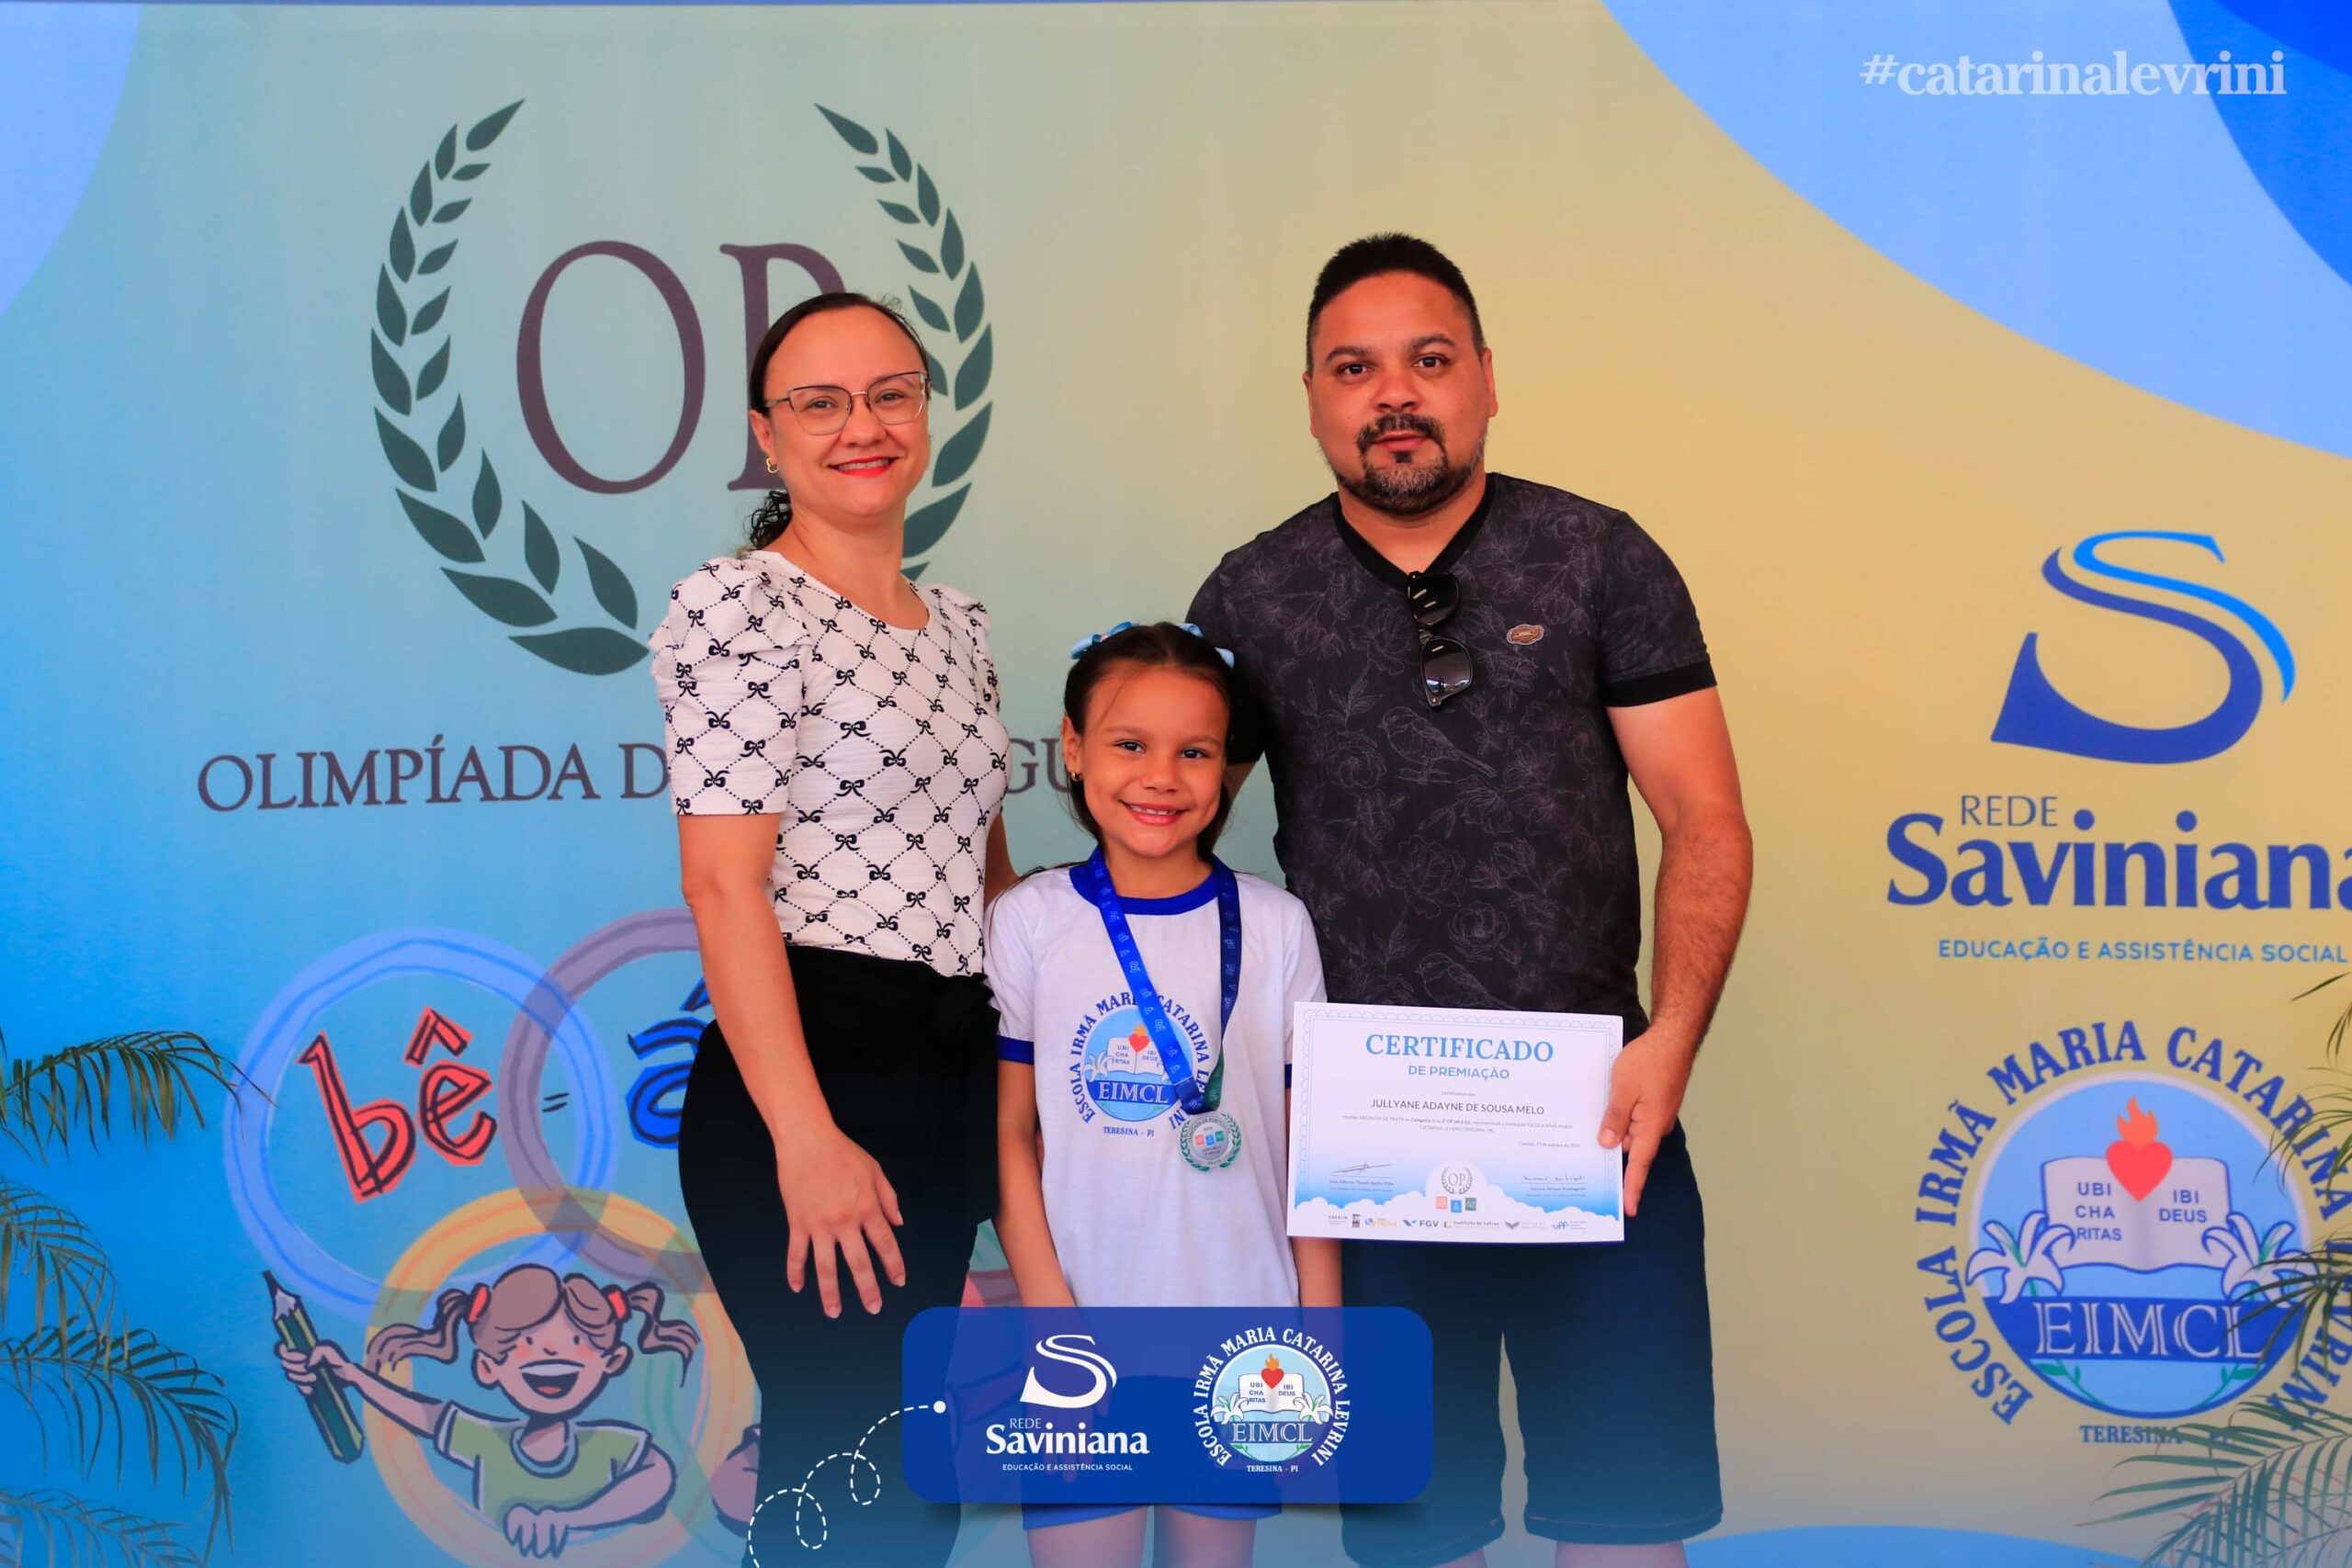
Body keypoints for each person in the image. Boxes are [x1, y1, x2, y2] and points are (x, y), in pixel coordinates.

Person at [1187, 235, 1753, 1568]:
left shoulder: (1599, 556)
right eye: (1354, 368)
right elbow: (1164, 827)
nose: (1394, 393)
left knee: (1626, 1525)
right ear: (1312, 399)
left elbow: (1704, 818)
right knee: (1416, 1539)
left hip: (1600, 1120)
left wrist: (1671, 1041)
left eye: (1428, 360)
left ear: (1487, 380)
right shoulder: (1250, 596)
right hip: (1362, 1156)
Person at [651, 290, 1014, 1568]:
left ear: (925, 412)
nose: (862, 426)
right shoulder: (740, 604)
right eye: (821, 403)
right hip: (812, 1072)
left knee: (913, 1470)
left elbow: (986, 878)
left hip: (951, 1065)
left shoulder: (961, 624)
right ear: (767, 433)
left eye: (890, 394)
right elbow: (723, 889)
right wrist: (806, 1141)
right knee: (843, 1461)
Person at [989, 621, 1339, 1568]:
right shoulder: (1028, 922)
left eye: (1195, 752)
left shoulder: (1276, 924)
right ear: (1072, 749)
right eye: (1130, 744)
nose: (1162, 777)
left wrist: (1323, 1330)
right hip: (1079, 1329)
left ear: (1226, 767)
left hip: (1246, 1343)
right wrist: (1049, 1319)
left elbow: (1311, 1148)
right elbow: (1010, 1134)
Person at [276, 1264, 698, 1559]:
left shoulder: (608, 1445)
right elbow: (424, 1415)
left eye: (577, 1343)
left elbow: (658, 1477)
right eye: (524, 1345)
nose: (551, 1355)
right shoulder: (485, 1442)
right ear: (488, 1367)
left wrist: (567, 1519)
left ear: (613, 1361)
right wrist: (350, 1374)